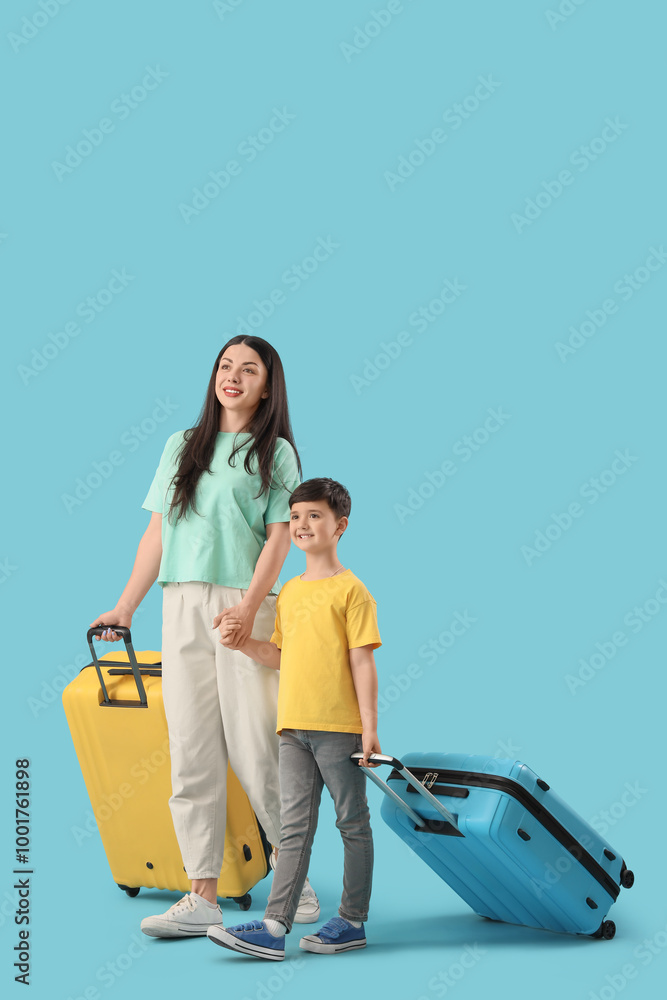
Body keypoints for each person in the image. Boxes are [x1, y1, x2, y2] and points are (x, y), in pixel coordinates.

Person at [90, 336, 320, 936]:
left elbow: (278, 540)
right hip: (181, 602)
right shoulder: (180, 446)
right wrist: (124, 607)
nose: (233, 377)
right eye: (225, 366)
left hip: (244, 606)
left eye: (249, 370)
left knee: (256, 749)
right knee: (191, 748)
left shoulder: (277, 454)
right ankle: (202, 898)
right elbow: (157, 534)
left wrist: (247, 609)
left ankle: (297, 888)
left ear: (268, 386)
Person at [207, 477, 381, 961]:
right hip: (292, 728)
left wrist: (368, 727)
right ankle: (274, 926)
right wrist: (243, 644)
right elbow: (280, 654)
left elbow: (362, 661)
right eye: (297, 516)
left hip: (339, 729)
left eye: (315, 516)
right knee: (292, 830)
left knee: (352, 823)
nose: (302, 525)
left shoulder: (352, 592)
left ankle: (351, 920)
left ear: (339, 525)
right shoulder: (289, 593)